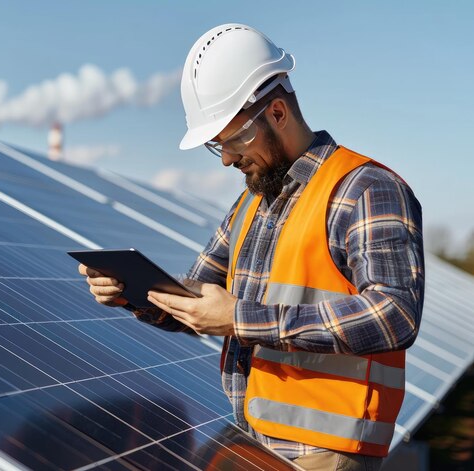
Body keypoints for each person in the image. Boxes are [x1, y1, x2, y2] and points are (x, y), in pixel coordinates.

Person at [78, 23, 424, 471]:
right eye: (216, 145)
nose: (225, 158)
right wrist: (132, 293)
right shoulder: (250, 203)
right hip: (251, 440)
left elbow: (394, 315)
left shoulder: (365, 190)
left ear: (277, 113)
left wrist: (238, 318)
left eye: (233, 139)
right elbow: (199, 301)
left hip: (325, 453)